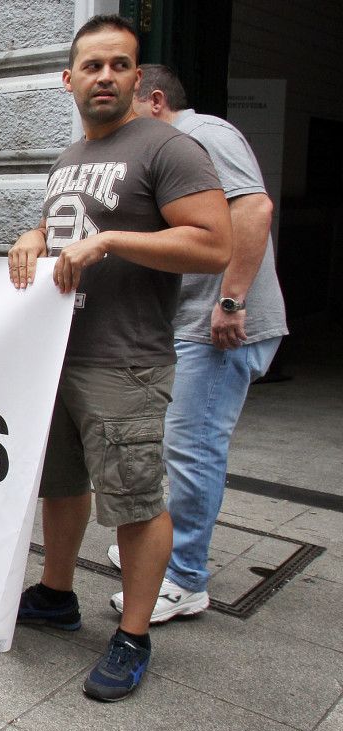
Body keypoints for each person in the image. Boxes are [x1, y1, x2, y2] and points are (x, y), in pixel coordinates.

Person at [7, 15, 231, 702]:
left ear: (138, 78)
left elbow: (213, 244)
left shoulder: (170, 148)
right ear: (67, 78)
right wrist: (34, 230)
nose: (105, 76)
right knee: (63, 484)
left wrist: (111, 243)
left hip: (125, 360)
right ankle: (56, 592)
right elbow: (69, 223)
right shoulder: (69, 155)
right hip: (59, 354)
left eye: (120, 65)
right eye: (93, 65)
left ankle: (133, 636)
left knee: (134, 500)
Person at [103, 64, 288, 622]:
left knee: (194, 449)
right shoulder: (177, 145)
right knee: (175, 446)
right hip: (191, 323)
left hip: (219, 326)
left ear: (154, 101)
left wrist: (231, 301)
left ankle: (184, 577)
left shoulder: (204, 134)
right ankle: (167, 553)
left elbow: (253, 208)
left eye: (128, 108)